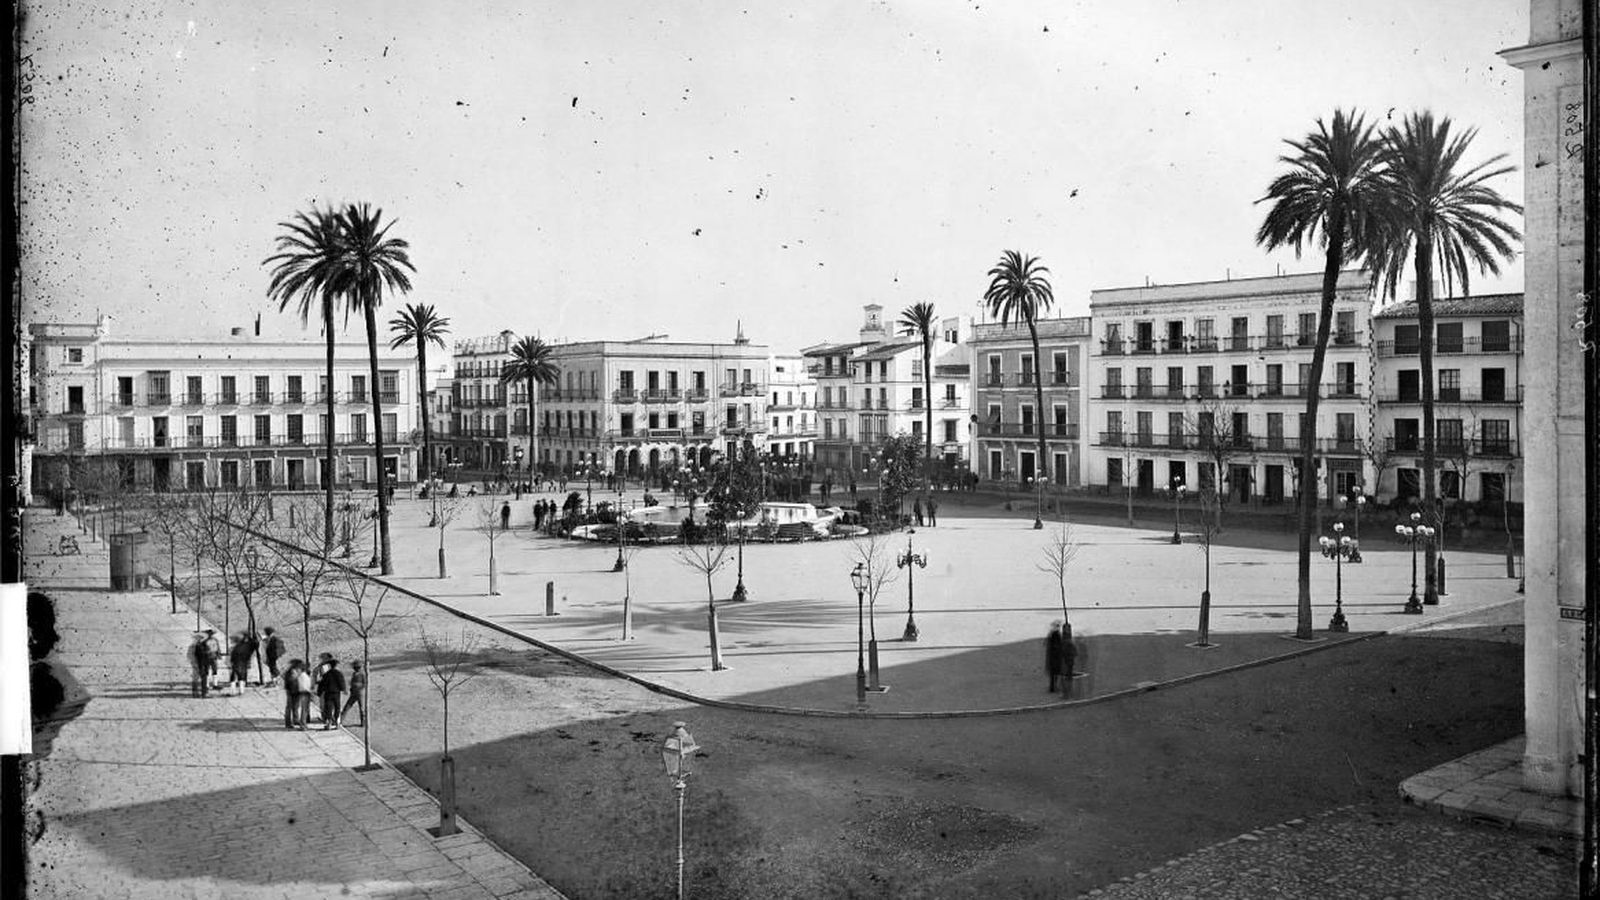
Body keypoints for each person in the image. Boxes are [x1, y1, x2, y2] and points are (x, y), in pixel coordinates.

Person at [318, 659, 347, 729]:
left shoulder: (326, 674)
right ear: (336, 665)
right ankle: (337, 723)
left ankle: (328, 723)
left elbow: (322, 684)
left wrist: (319, 692)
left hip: (328, 693)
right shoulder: (339, 673)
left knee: (328, 708)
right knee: (337, 707)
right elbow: (341, 683)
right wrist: (343, 689)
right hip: (336, 693)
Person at [341, 661, 366, 727]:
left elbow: (364, 683)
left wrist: (358, 687)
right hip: (354, 693)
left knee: (361, 708)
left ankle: (363, 722)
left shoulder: (362, 674)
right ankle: (340, 720)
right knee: (347, 706)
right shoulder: (354, 674)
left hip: (359, 693)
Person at [293, 661, 314, 729]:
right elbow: (307, 686)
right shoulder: (304, 677)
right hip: (305, 693)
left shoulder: (300, 676)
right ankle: (303, 724)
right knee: (304, 709)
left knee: (302, 708)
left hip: (301, 693)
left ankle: (301, 722)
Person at [282, 659, 303, 728]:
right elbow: (291, 681)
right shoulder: (291, 671)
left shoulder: (297, 671)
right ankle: (288, 722)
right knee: (290, 707)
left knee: (296, 706)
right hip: (291, 690)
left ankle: (295, 719)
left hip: (296, 690)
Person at [1045, 621, 1064, 693]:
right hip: (1055, 658)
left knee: (1053, 674)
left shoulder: (1051, 634)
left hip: (1052, 657)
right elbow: (1057, 645)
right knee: (1055, 673)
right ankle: (1053, 687)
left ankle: (1053, 687)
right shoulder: (1056, 635)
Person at [189, 633, 210, 698]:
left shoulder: (195, 645)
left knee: (196, 678)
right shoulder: (199, 646)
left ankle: (195, 692)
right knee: (203, 678)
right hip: (201, 664)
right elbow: (202, 655)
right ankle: (204, 693)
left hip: (199, 664)